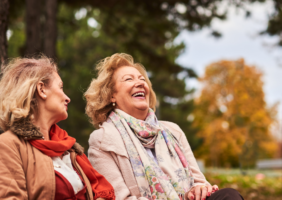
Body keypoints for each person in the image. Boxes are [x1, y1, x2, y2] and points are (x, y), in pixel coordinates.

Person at [85, 53, 244, 200]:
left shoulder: (173, 130)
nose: (140, 83)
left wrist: (197, 190)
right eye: (129, 79)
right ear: (111, 94)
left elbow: (199, 181)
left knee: (229, 195)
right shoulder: (102, 140)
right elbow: (119, 197)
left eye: (142, 79)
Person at [0, 56, 115, 200]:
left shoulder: (69, 147)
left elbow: (100, 188)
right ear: (42, 89)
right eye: (60, 87)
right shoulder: (8, 144)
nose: (67, 98)